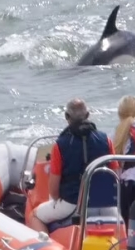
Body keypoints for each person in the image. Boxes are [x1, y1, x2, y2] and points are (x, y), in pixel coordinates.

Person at [28, 98, 120, 234]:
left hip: (72, 203)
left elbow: (53, 190)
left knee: (34, 216)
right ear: (88, 116)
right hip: (104, 203)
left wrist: (57, 201)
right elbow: (115, 175)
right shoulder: (105, 140)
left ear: (67, 117)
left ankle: (46, 249)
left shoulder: (60, 145)